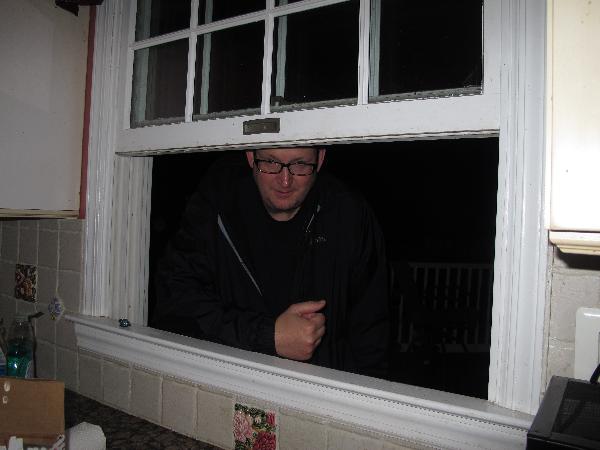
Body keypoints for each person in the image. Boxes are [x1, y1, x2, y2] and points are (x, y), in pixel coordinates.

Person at [153, 147, 390, 377]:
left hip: (322, 392)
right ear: (250, 157)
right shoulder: (218, 201)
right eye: (270, 162)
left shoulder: (348, 213)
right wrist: (268, 336)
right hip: (231, 383)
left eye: (300, 164)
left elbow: (372, 330)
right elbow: (174, 300)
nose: (285, 181)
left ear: (319, 159)